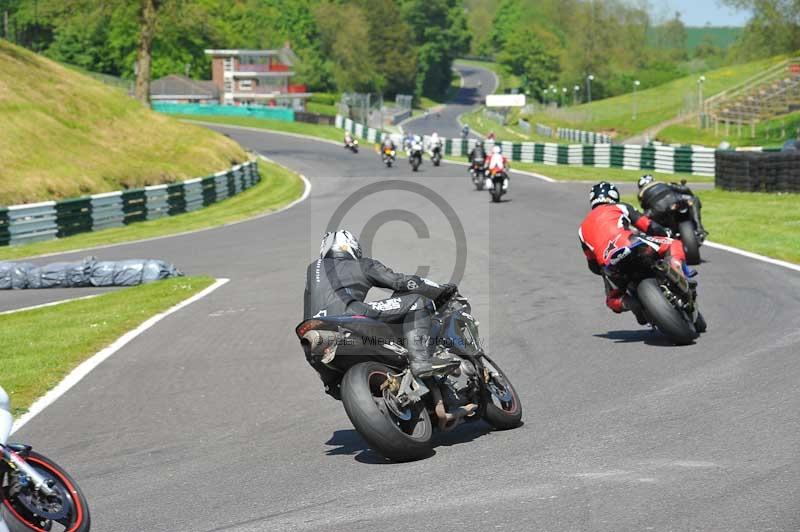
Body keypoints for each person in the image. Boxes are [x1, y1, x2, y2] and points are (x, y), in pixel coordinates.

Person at [303, 230, 459, 390]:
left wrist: (329, 382)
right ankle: (420, 360)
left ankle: (334, 383)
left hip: (314, 330)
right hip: (349, 315)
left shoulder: (312, 269)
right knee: (416, 302)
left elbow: (308, 308)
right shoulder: (362, 264)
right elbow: (400, 282)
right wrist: (438, 289)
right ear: (351, 247)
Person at [578, 181, 695, 324]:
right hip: (631, 244)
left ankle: (632, 304)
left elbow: (593, 266)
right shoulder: (620, 207)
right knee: (674, 243)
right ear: (614, 195)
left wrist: (604, 269)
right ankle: (680, 273)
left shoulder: (581, 229)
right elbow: (648, 225)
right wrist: (665, 233)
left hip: (610, 264)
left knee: (612, 300)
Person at [637, 174, 707, 238]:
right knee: (694, 199)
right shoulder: (662, 183)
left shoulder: (640, 194)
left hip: (657, 210)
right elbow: (685, 189)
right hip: (674, 201)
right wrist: (690, 195)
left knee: (643, 222)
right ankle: (699, 227)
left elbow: (644, 207)